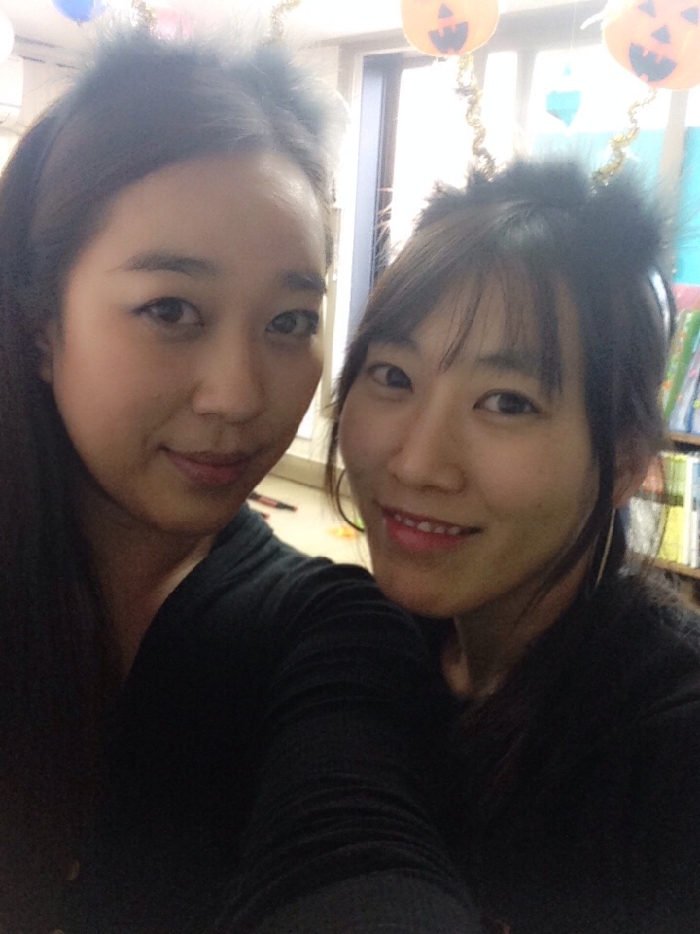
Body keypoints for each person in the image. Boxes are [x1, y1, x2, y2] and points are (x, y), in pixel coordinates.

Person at [0, 29, 478, 934]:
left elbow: (358, 851)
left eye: (290, 320)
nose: (241, 395)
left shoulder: (325, 632)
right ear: (39, 327)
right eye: (171, 309)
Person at [329, 159, 700, 933]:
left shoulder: (667, 752)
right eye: (392, 374)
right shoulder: (364, 648)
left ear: (625, 461)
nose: (416, 462)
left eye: (506, 401)